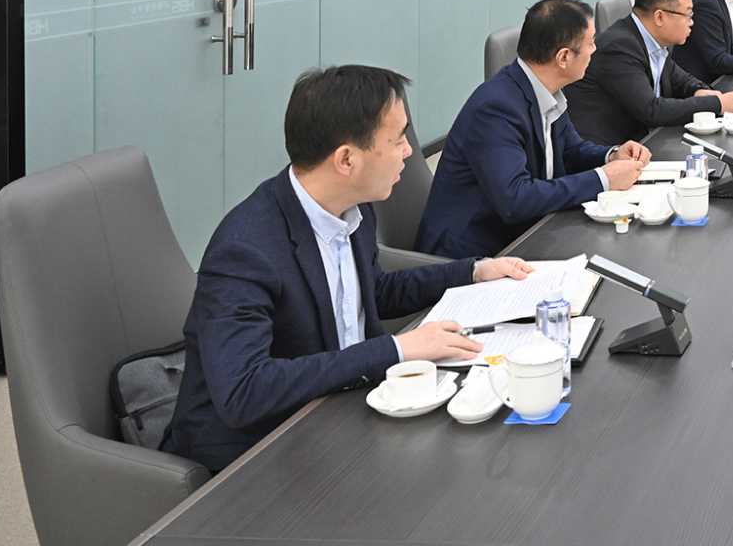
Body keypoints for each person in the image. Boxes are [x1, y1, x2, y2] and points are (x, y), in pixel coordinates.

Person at [162, 66, 530, 472]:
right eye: (397, 139)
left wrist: (473, 273)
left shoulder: (352, 208)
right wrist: (395, 349)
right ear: (346, 159)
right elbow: (244, 392)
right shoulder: (245, 249)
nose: (409, 151)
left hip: (342, 416)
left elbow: (373, 292)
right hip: (255, 456)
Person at [417, 0, 651, 258]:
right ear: (563, 57)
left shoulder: (547, 90)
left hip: (528, 233)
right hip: (473, 255)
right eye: (590, 43)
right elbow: (515, 199)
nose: (595, 50)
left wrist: (612, 155)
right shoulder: (495, 108)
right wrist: (603, 179)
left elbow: (571, 150)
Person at [565, 0, 733, 146]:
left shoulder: (652, 40)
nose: (692, 22)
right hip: (608, 152)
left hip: (644, 142)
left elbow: (680, 79)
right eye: (688, 15)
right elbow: (651, 110)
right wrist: (718, 104)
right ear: (660, 17)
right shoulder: (619, 47)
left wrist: (698, 91)